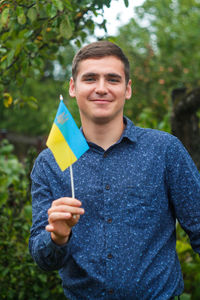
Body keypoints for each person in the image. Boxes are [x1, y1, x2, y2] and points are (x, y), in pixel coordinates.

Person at [29, 41, 200, 300]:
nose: (101, 88)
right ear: (73, 88)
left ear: (127, 89)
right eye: (90, 78)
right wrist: (58, 237)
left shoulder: (165, 151)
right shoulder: (50, 162)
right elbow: (43, 259)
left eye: (112, 79)